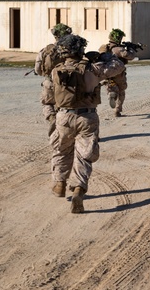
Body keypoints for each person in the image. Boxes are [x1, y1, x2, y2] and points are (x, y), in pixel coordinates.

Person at [50, 33, 124, 212]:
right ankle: (78, 189)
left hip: (64, 116)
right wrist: (105, 55)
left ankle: (59, 183)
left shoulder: (56, 70)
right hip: (87, 117)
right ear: (80, 49)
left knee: (61, 150)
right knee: (84, 155)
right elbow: (118, 66)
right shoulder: (93, 68)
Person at [34, 23, 73, 138]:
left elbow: (38, 69)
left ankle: (51, 118)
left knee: (47, 103)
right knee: (69, 106)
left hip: (49, 82)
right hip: (67, 83)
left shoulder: (46, 50)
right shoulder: (72, 50)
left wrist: (46, 75)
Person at [98, 28, 140, 117]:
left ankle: (111, 94)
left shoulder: (104, 48)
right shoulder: (119, 49)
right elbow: (130, 56)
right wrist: (131, 49)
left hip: (107, 73)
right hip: (118, 73)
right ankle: (117, 110)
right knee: (121, 90)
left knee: (110, 85)